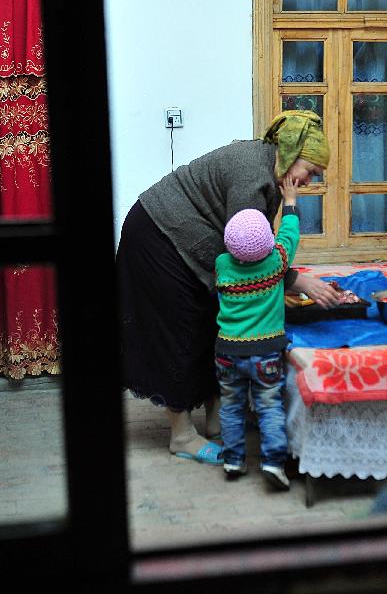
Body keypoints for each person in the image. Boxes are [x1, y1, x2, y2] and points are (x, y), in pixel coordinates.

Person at [117, 110, 341, 464]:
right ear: (291, 152)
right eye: (311, 172)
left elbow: (256, 246)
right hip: (158, 236)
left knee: (212, 321)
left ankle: (217, 420)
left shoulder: (272, 172)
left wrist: (290, 278)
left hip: (182, 239)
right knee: (181, 333)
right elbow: (248, 262)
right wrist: (297, 281)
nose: (310, 182)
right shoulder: (252, 174)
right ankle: (181, 435)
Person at [213, 173, 301, 490]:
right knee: (269, 407)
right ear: (267, 243)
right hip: (265, 353)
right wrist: (289, 202)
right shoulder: (276, 263)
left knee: (232, 408)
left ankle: (234, 459)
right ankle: (274, 463)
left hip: (226, 353)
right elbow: (289, 235)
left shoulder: (222, 265)